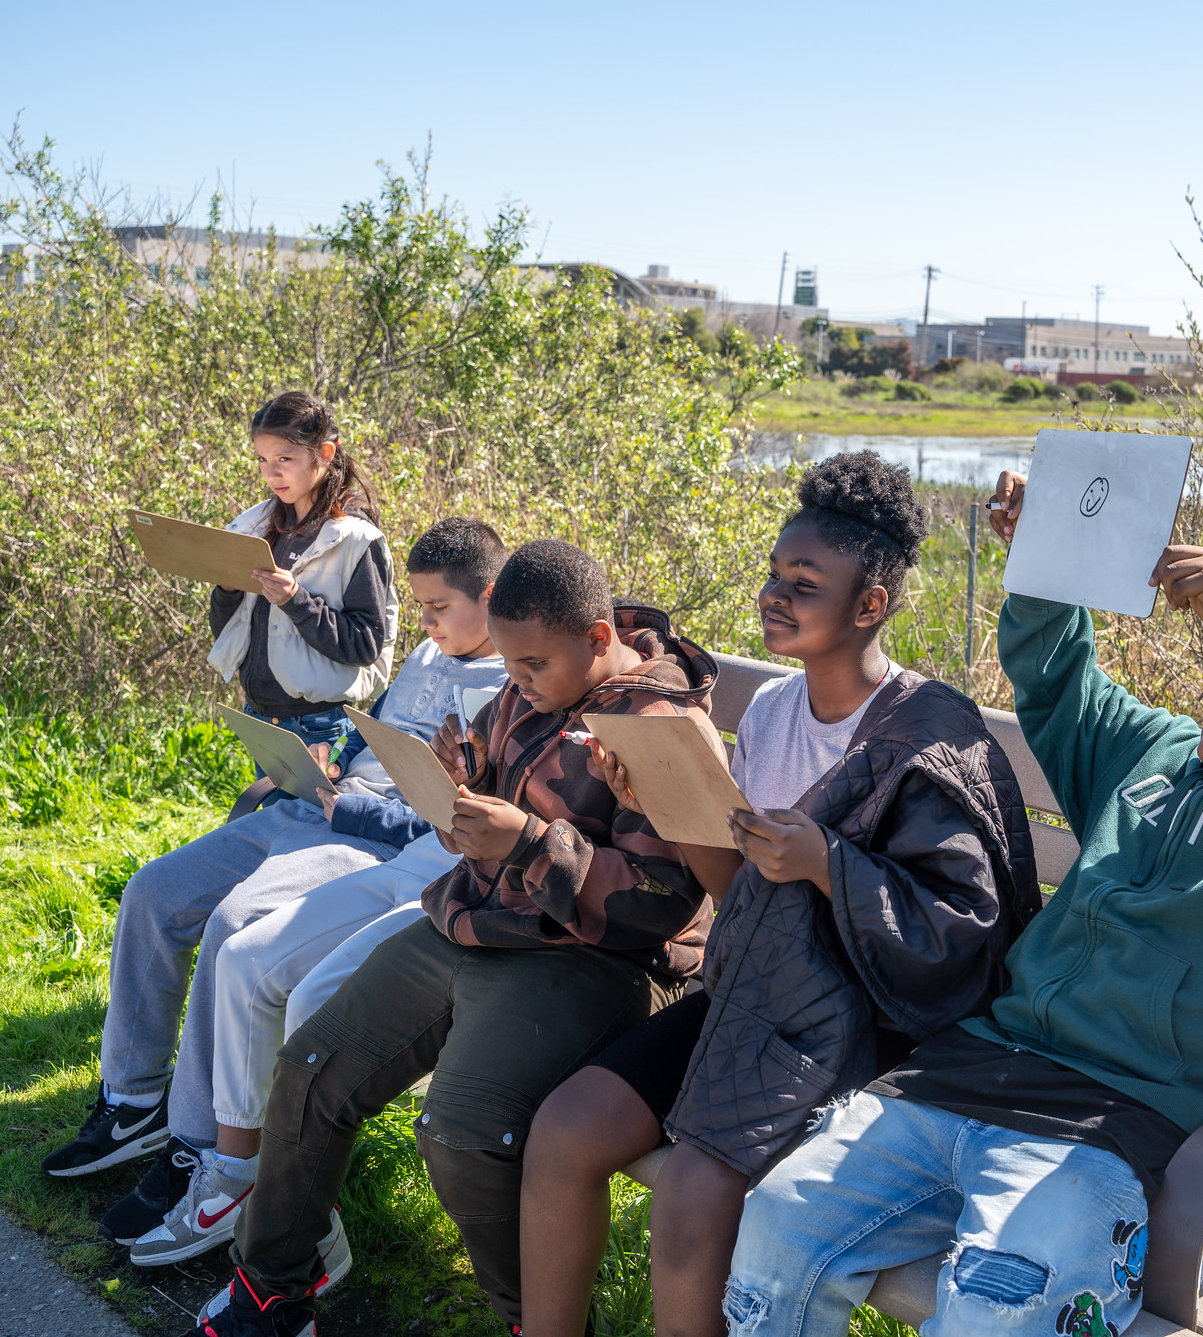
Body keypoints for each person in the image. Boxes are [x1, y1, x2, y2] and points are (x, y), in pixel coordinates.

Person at [718, 468, 1203, 1337]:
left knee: (995, 1304)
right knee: (778, 1226)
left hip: (1136, 1129)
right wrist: (1050, 555)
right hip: (974, 1074)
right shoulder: (1156, 754)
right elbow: (1057, 678)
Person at [520, 451, 1041, 1337]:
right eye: (774, 575)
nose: (775, 595)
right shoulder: (768, 714)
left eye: (804, 583)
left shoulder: (929, 732)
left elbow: (961, 931)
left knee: (692, 1186)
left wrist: (829, 865)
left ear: (870, 605)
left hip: (868, 1027)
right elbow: (740, 892)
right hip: (760, 996)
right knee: (566, 1128)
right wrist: (664, 803)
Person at [188, 539, 716, 1337]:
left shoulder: (659, 723)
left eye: (533, 667)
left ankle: (529, 1322)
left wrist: (528, 842)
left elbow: (661, 902)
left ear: (600, 638)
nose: (518, 684)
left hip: (593, 961)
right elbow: (495, 766)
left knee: (465, 1134)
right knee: (310, 1066)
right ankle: (276, 1290)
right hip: (477, 921)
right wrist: (459, 772)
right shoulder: (528, 683)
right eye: (510, 668)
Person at [43, 517, 505, 1246]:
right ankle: (131, 1101)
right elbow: (375, 733)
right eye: (418, 609)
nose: (424, 624)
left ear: (491, 597)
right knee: (153, 892)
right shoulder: (424, 654)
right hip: (314, 805)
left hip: (369, 842)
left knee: (234, 926)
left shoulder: (510, 690)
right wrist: (319, 758)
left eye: (438, 609)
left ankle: (197, 1145)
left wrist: (348, 806)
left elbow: (446, 834)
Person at [208, 389, 397, 754]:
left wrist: (296, 601)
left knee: (309, 815)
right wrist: (227, 589)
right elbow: (227, 631)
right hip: (260, 716)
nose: (271, 473)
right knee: (273, 813)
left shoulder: (357, 539)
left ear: (325, 453)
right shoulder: (255, 525)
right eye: (262, 459)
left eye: (284, 458)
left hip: (319, 727)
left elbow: (365, 645)